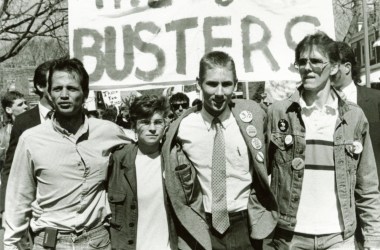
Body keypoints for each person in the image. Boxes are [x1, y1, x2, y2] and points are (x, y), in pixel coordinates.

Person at [267, 32, 380, 249]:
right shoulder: (279, 113)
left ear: (335, 67)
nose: (307, 67)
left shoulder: (353, 117)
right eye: (302, 62)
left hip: (339, 237)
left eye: (316, 61)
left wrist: (373, 240)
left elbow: (367, 186)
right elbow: (259, 177)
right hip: (290, 237)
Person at [3, 58, 128, 249]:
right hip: (49, 241)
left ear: (85, 93)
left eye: (71, 88)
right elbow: (18, 199)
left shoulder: (109, 132)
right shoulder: (31, 139)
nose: (63, 95)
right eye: (57, 89)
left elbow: (143, 151)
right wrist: (11, 244)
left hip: (97, 240)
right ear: (49, 93)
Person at [163, 51, 277, 250]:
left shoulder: (255, 118)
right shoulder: (182, 128)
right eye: (212, 84)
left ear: (236, 84)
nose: (219, 92)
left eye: (226, 84)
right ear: (199, 83)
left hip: (246, 224)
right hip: (202, 226)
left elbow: (269, 159)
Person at [107, 95, 177, 250]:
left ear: (165, 125)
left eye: (158, 122)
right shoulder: (119, 159)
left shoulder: (175, 159)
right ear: (134, 125)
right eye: (145, 122)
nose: (152, 128)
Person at [0, 60, 54, 216]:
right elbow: (10, 167)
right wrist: (4, 206)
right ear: (39, 86)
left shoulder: (74, 119)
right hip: (34, 207)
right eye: (55, 84)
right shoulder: (23, 122)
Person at [331, 41, 380, 188]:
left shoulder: (376, 100)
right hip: (335, 191)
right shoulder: (317, 105)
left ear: (347, 67)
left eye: (332, 65)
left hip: (372, 190)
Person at [0, 91, 28, 171]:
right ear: (9, 110)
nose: (26, 106)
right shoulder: (2, 135)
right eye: (20, 104)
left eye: (25, 103)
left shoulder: (37, 128)